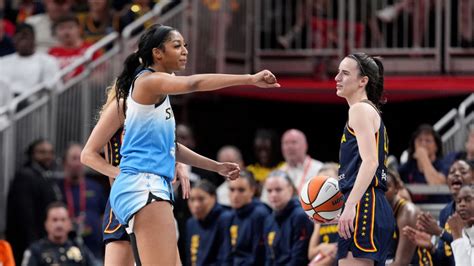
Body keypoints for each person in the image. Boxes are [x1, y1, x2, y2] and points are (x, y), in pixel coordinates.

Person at [83, 23, 279, 265]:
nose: (185, 50)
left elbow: (170, 147)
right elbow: (193, 83)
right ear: (158, 53)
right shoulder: (149, 82)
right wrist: (249, 78)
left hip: (142, 187)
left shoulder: (153, 90)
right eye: (177, 46)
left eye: (185, 45)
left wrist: (215, 166)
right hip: (144, 186)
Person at [81, 82, 189, 265]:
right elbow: (88, 155)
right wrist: (123, 175)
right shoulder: (122, 109)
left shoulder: (153, 117)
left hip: (149, 199)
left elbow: (167, 148)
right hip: (125, 200)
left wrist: (178, 163)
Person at [334, 52, 395, 265]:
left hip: (364, 202)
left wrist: (350, 205)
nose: (337, 78)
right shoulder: (371, 111)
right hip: (375, 204)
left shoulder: (359, 109)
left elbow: (370, 162)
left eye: (344, 73)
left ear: (363, 81)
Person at [403, 159, 473, 266]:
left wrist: (440, 232)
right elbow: (443, 261)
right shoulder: (445, 212)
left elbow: (469, 252)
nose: (456, 174)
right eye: (452, 172)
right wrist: (431, 248)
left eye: (463, 172)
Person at [6, 138, 62, 264]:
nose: (47, 156)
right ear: (32, 154)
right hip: (27, 243)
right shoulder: (25, 176)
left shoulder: (45, 175)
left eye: (50, 152)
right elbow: (25, 215)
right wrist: (33, 244)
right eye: (42, 152)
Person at [57, 143, 107, 260]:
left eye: (80, 158)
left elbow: (104, 214)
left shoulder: (96, 187)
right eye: (74, 158)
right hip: (65, 248)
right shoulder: (56, 188)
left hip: (94, 248)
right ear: (64, 162)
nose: (78, 163)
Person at [220, 170, 271, 265]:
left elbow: (259, 256)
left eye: (241, 190)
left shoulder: (260, 214)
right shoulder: (228, 215)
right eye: (232, 190)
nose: (235, 195)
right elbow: (226, 254)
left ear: (252, 190)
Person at [263, 170, 313, 265]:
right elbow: (269, 258)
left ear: (290, 190)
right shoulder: (269, 220)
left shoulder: (300, 216)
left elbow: (299, 259)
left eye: (278, 190)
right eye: (269, 191)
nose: (273, 195)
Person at [21, 201, 95, 265]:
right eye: (54, 220)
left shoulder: (80, 248)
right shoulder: (35, 251)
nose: (59, 224)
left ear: (69, 224)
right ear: (46, 224)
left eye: (63, 220)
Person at [385, 169, 433, 265]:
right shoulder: (381, 210)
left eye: (387, 187)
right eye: (379, 187)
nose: (382, 192)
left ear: (396, 189)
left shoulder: (408, 212)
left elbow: (402, 262)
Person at [185, 180, 229, 266]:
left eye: (201, 199)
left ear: (213, 198)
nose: (196, 205)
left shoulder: (225, 219)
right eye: (192, 199)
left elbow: (226, 257)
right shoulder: (191, 223)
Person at [307, 163, 339, 266]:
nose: (323, 185)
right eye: (320, 181)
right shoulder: (319, 213)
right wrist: (321, 247)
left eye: (328, 180)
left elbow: (343, 249)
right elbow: (311, 253)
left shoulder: (348, 209)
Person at [280, 128, 323, 193]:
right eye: (286, 143)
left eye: (294, 142)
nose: (289, 147)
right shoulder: (279, 172)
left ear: (305, 145)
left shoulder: (320, 169)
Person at [447, 185, 474, 265]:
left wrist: (458, 238)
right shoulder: (463, 232)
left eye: (468, 200)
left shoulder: (457, 233)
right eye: (458, 201)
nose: (462, 204)